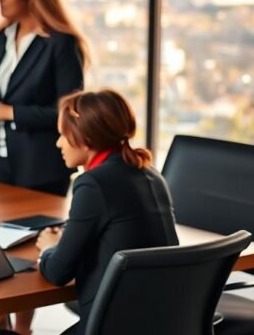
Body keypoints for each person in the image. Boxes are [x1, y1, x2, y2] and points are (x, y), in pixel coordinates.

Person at [36, 89, 178, 335]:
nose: (58, 142)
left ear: (85, 137)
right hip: (163, 321)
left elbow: (58, 272)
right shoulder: (151, 174)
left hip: (111, 325)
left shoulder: (94, 183)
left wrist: (49, 248)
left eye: (63, 134)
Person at [0, 0, 87, 196]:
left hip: (40, 169)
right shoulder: (3, 36)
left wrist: (9, 112)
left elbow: (68, 111)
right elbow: (2, 89)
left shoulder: (61, 43)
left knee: (36, 233)